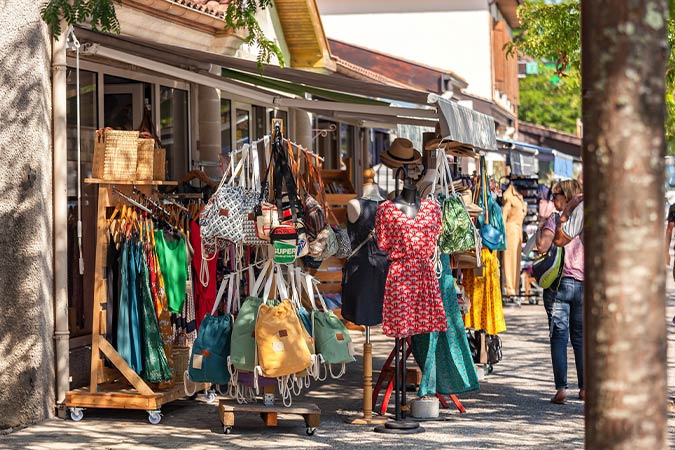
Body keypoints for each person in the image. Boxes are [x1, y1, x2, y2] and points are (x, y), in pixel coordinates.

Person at [539, 180, 584, 404]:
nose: (552, 198)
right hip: (583, 284)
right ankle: (585, 388)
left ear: (565, 196)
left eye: (555, 194)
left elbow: (543, 247)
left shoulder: (557, 219)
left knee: (559, 336)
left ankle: (562, 389)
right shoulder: (586, 216)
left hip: (560, 285)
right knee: (579, 337)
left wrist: (541, 229)